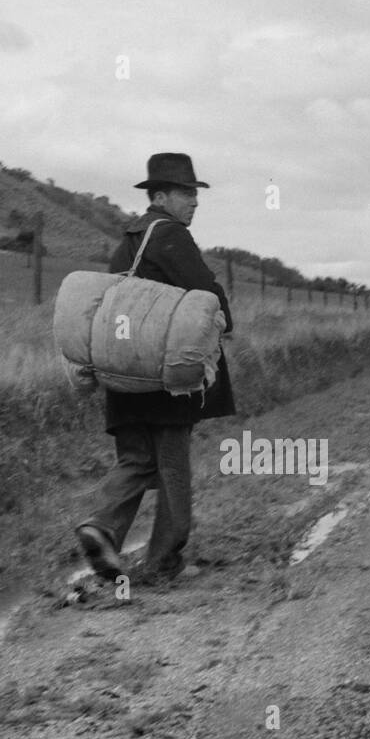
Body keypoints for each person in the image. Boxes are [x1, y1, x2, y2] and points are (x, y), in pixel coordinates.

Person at [75, 153, 235, 586]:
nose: (194, 202)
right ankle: (163, 561)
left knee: (135, 459)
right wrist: (228, 321)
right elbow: (204, 294)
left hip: (122, 372)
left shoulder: (128, 240)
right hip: (165, 378)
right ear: (159, 196)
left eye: (195, 194)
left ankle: (102, 527)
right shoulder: (172, 236)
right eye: (186, 194)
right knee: (171, 467)